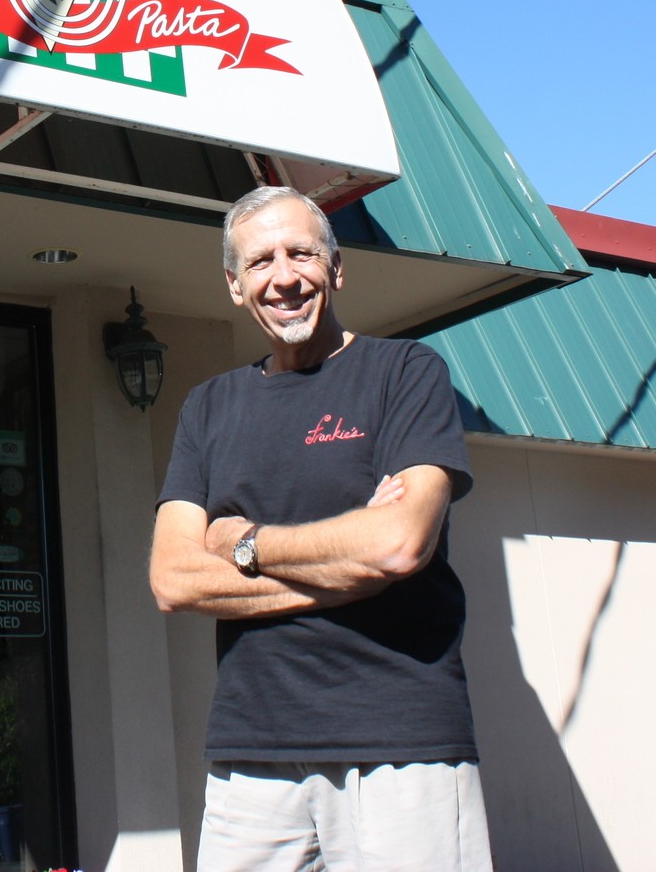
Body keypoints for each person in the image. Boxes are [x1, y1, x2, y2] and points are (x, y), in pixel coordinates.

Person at [149, 185, 492, 872]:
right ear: (235, 286)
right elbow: (172, 579)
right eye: (260, 262)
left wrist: (244, 543)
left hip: (401, 743)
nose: (283, 277)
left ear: (336, 269)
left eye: (301, 253)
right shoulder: (209, 407)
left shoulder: (406, 373)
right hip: (252, 751)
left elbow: (398, 542)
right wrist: (347, 570)